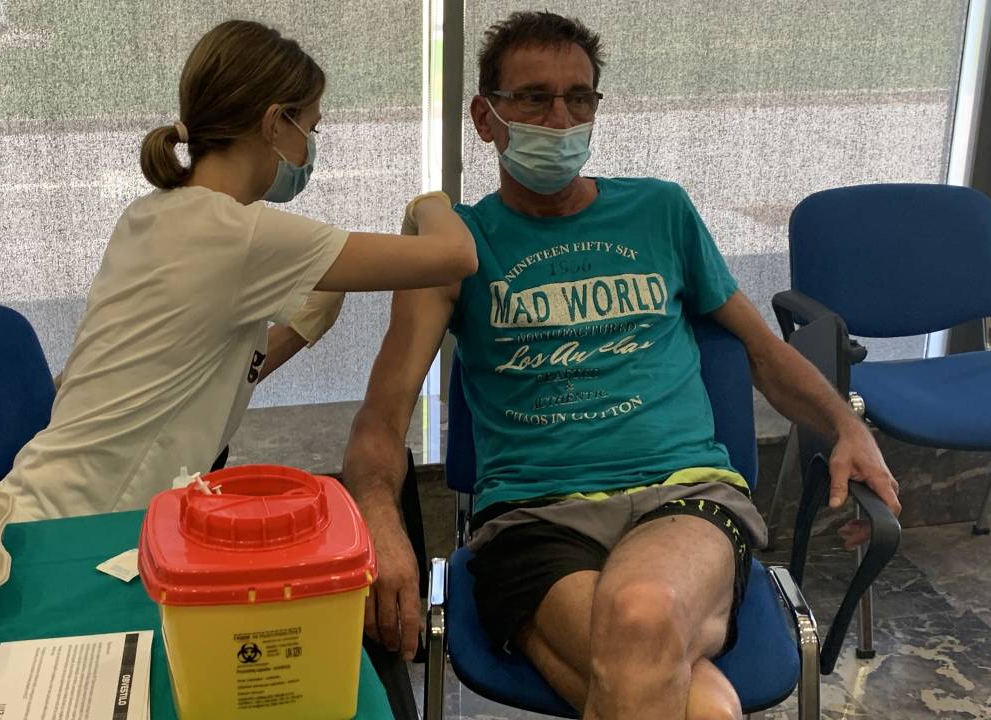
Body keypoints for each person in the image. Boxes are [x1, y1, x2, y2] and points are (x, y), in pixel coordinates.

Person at [342, 11, 901, 720]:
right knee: (702, 705)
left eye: (579, 98)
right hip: (534, 518)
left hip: (684, 496)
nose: (561, 119)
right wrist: (379, 523)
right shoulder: (461, 247)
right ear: (485, 118)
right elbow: (381, 419)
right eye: (534, 98)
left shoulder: (660, 211)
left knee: (640, 614)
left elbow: (763, 351)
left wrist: (846, 427)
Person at [0, 20, 476, 521]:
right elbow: (456, 255)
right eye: (310, 130)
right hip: (83, 523)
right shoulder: (240, 233)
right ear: (274, 123)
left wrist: (301, 329)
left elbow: (195, 372)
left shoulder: (151, 212)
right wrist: (430, 203)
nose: (310, 150)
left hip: (38, 503)